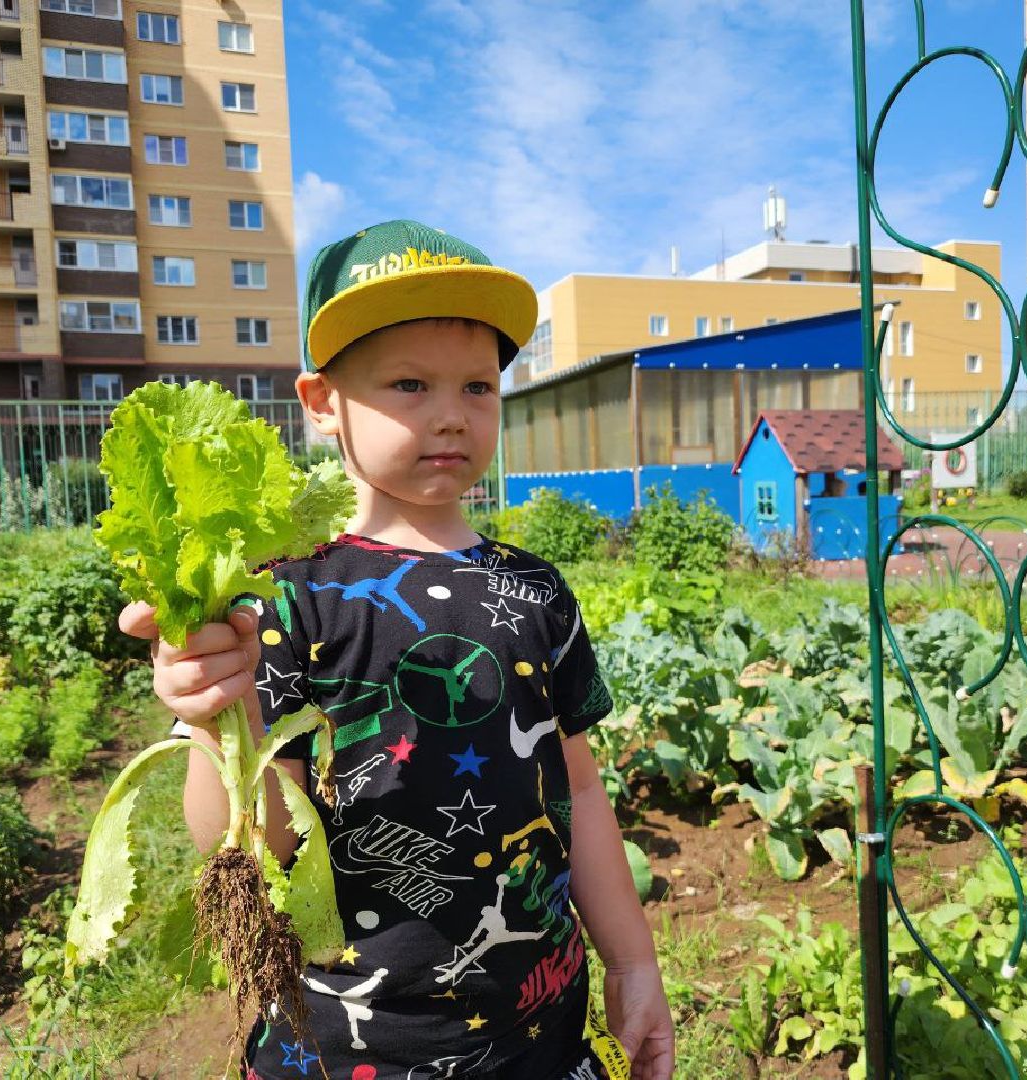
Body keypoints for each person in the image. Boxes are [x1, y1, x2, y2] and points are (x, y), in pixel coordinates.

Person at [118, 220, 674, 1080]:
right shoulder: (286, 595)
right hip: (347, 1045)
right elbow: (256, 840)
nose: (451, 414)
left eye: (479, 387)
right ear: (321, 401)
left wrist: (634, 965)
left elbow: (583, 788)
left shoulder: (535, 590)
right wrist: (215, 715)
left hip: (539, 1029)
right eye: (409, 384)